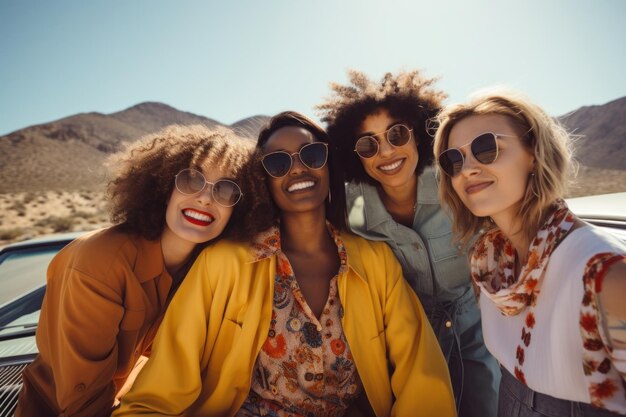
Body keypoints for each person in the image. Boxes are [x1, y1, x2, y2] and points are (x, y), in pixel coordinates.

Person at [114, 111, 456, 417]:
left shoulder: (375, 261)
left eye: (311, 154)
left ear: (328, 166)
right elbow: (160, 390)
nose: (297, 168)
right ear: (262, 180)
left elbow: (421, 375)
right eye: (277, 163)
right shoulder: (223, 264)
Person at [15, 124, 271, 417]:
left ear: (240, 209)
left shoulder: (205, 271)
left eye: (226, 189)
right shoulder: (99, 263)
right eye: (191, 180)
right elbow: (81, 403)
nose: (205, 198)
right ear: (163, 187)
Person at [317, 70, 500, 416]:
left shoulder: (459, 184)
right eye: (368, 144)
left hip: (478, 336)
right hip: (404, 346)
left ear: (418, 134)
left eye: (396, 134)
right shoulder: (347, 214)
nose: (385, 151)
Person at [433, 89, 626, 416]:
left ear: (533, 153)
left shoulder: (603, 273)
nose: (467, 169)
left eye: (487, 148)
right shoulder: (489, 269)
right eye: (453, 160)